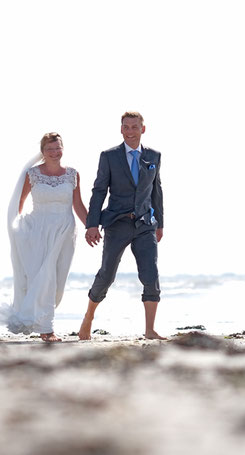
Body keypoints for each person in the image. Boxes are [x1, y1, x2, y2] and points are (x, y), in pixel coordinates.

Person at [79, 111, 166, 340]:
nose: (130, 131)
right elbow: (99, 191)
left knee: (151, 275)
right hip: (117, 223)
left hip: (145, 224)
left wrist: (160, 224)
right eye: (126, 127)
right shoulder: (109, 156)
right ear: (121, 129)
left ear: (143, 129)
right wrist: (92, 224)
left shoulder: (154, 156)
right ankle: (88, 317)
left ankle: (149, 330)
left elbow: (156, 191)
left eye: (134, 127)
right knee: (107, 275)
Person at [0, 132, 88, 342]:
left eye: (58, 148)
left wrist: (91, 227)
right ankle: (47, 330)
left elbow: (78, 205)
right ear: (42, 152)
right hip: (36, 231)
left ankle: (39, 318)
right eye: (50, 149)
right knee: (45, 277)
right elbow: (19, 203)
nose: (55, 153)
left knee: (57, 283)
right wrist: (16, 230)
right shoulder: (32, 174)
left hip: (65, 231)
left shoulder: (73, 174)